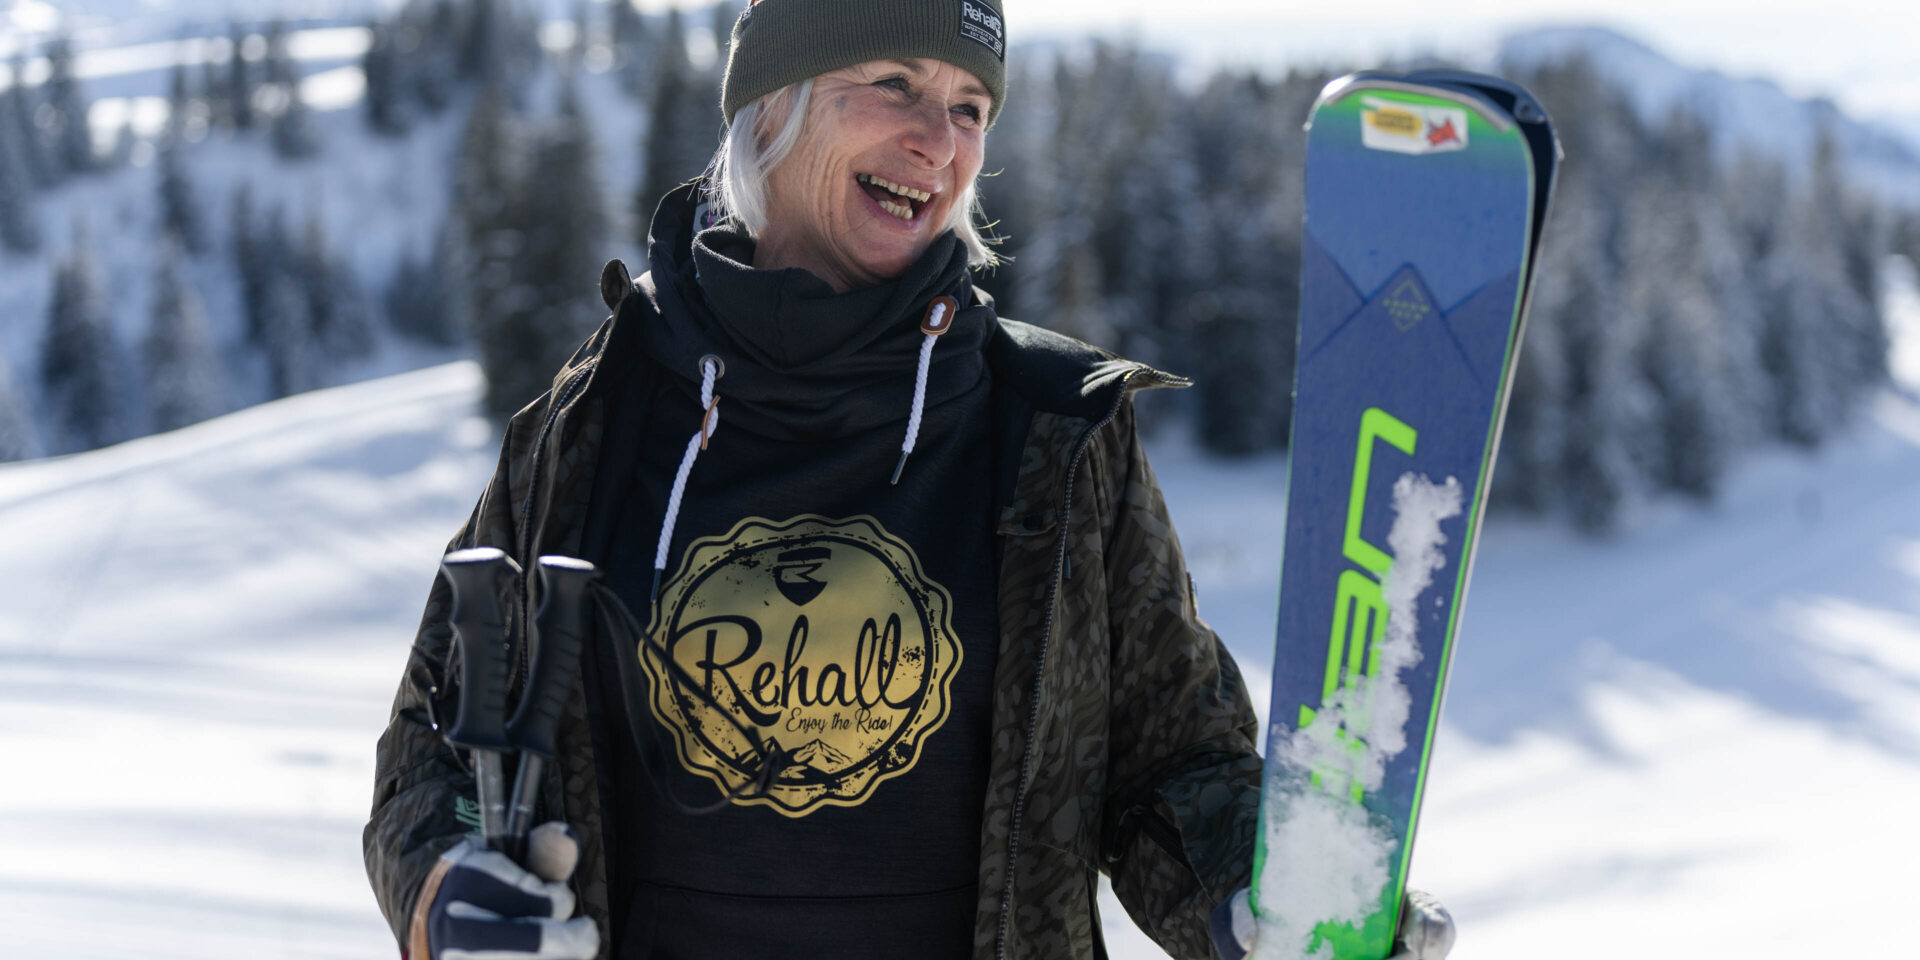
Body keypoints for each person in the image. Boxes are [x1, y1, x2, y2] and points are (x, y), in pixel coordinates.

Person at [363, 2, 1455, 958]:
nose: (941, 141)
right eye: (894, 84)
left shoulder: (1054, 431)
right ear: (774, 106)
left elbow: (1170, 760)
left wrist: (1266, 898)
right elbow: (440, 744)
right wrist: (448, 891)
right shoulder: (592, 421)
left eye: (973, 106)